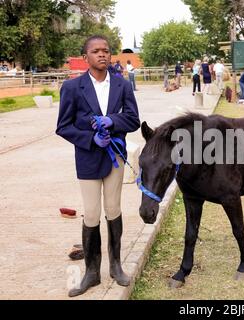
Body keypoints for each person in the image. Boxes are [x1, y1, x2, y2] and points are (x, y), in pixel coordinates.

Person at [55, 35, 140, 297]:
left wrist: (112, 122)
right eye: (96, 51)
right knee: (91, 213)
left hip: (114, 157)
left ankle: (116, 266)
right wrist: (90, 138)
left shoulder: (122, 85)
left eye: (106, 50)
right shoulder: (72, 88)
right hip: (88, 158)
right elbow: (63, 127)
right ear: (86, 57)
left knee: (113, 209)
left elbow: (133, 120)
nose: (102, 54)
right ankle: (92, 272)